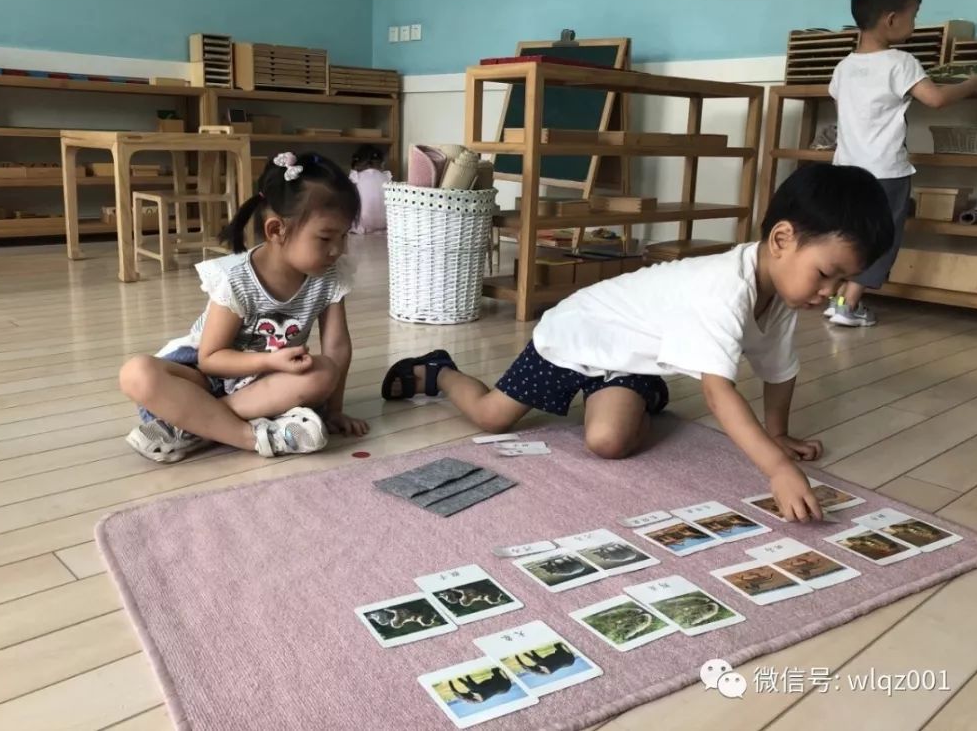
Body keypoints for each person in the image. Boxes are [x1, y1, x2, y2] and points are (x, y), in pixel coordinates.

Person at [382, 164, 894, 522]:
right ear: (782, 239)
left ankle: (638, 391)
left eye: (841, 282)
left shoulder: (783, 294)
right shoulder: (723, 288)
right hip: (576, 335)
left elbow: (779, 368)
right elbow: (719, 393)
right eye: (827, 275)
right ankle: (440, 369)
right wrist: (777, 470)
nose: (829, 293)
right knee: (492, 418)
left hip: (630, 359)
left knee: (608, 442)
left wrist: (777, 434)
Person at [120, 151, 369, 464]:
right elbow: (210, 360)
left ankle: (190, 426)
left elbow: (337, 346)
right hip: (202, 378)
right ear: (276, 230)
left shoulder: (329, 276)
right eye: (325, 238)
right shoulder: (235, 279)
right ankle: (250, 437)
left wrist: (334, 410)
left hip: (261, 388)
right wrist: (270, 361)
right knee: (136, 373)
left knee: (322, 372)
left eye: (344, 236)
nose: (337, 249)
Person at [827, 0, 977, 326]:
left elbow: (844, 113)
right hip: (886, 172)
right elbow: (936, 99)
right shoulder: (900, 62)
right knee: (883, 236)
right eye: (914, 16)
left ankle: (834, 295)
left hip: (846, 170)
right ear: (891, 19)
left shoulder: (843, 68)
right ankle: (848, 305)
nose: (915, 24)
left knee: (849, 233)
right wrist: (973, 84)